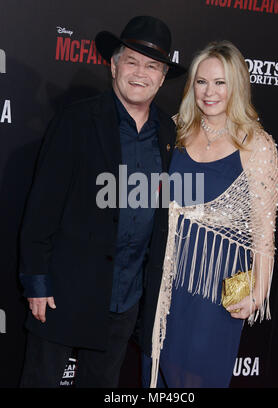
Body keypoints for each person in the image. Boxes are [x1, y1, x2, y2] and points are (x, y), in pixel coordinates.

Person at [18, 16, 186, 388]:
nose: (140, 73)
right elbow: (41, 208)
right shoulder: (77, 121)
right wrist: (37, 284)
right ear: (113, 65)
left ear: (161, 78)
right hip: (64, 292)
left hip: (125, 300)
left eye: (152, 66)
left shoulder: (168, 133)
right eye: (132, 61)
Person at [139, 40, 278, 388]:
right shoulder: (177, 130)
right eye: (201, 81)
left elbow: (264, 232)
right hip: (166, 277)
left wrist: (258, 293)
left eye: (220, 83)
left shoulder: (256, 144)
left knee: (198, 378)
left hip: (219, 287)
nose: (209, 92)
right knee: (154, 372)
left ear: (237, 86)